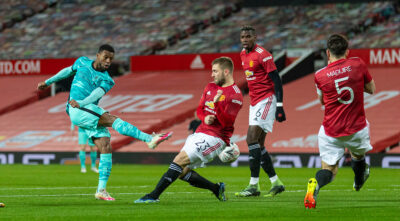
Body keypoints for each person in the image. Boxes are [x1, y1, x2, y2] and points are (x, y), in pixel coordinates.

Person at [37, 44, 172, 201]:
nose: (108, 61)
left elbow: (96, 95)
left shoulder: (107, 80)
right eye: (105, 57)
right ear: (98, 55)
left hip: (84, 106)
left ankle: (101, 190)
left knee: (105, 146)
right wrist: (48, 82)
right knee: (111, 119)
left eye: (111, 59)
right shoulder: (82, 62)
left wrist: (82, 102)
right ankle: (149, 139)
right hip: (76, 109)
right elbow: (68, 71)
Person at [135, 57, 243, 203]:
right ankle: (216, 189)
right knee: (181, 171)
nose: (212, 74)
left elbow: (227, 123)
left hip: (216, 138)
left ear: (226, 71)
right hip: (199, 132)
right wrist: (204, 118)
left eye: (215, 71)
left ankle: (153, 196)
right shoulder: (210, 87)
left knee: (179, 161)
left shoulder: (235, 95)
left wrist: (217, 105)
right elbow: (199, 109)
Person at [304, 34, 375, 209]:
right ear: (347, 51)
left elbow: (322, 101)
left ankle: (316, 185)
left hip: (330, 131)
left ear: (328, 53)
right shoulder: (358, 63)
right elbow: (372, 89)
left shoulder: (320, 75)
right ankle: (358, 180)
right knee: (358, 156)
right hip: (356, 128)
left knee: (329, 170)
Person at [235, 25, 286, 197]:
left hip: (266, 99)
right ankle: (276, 183)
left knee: (251, 139)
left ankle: (253, 185)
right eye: (242, 37)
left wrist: (279, 106)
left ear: (255, 37)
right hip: (255, 102)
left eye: (248, 36)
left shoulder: (263, 55)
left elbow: (277, 80)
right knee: (259, 145)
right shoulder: (243, 54)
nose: (244, 40)